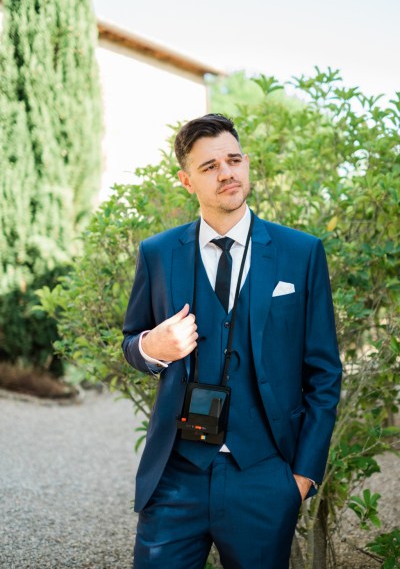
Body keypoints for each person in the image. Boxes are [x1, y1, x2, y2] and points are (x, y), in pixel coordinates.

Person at [122, 113, 342, 569]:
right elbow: (131, 342)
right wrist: (150, 348)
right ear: (187, 181)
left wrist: (301, 476)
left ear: (246, 164)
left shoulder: (300, 253)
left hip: (264, 476)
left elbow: (324, 372)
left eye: (234, 160)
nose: (226, 173)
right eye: (209, 167)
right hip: (176, 477)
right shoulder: (158, 254)